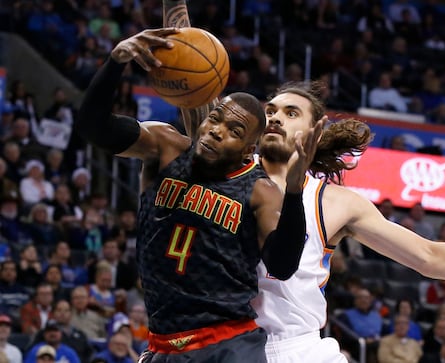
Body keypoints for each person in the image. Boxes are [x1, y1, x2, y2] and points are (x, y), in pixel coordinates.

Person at [163, 4, 445, 363]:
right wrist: (174, 8)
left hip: (298, 349)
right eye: (270, 110)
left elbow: (427, 256)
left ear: (314, 128)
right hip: (224, 346)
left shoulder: (335, 202)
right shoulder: (225, 167)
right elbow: (189, 85)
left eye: (291, 111)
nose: (276, 117)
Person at [74, 27, 320, 363]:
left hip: (227, 345)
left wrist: (293, 193)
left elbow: (282, 265)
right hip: (162, 345)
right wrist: (116, 61)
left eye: (233, 132)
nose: (217, 132)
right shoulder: (166, 147)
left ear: (249, 150)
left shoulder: (260, 190)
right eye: (216, 119)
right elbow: (92, 127)